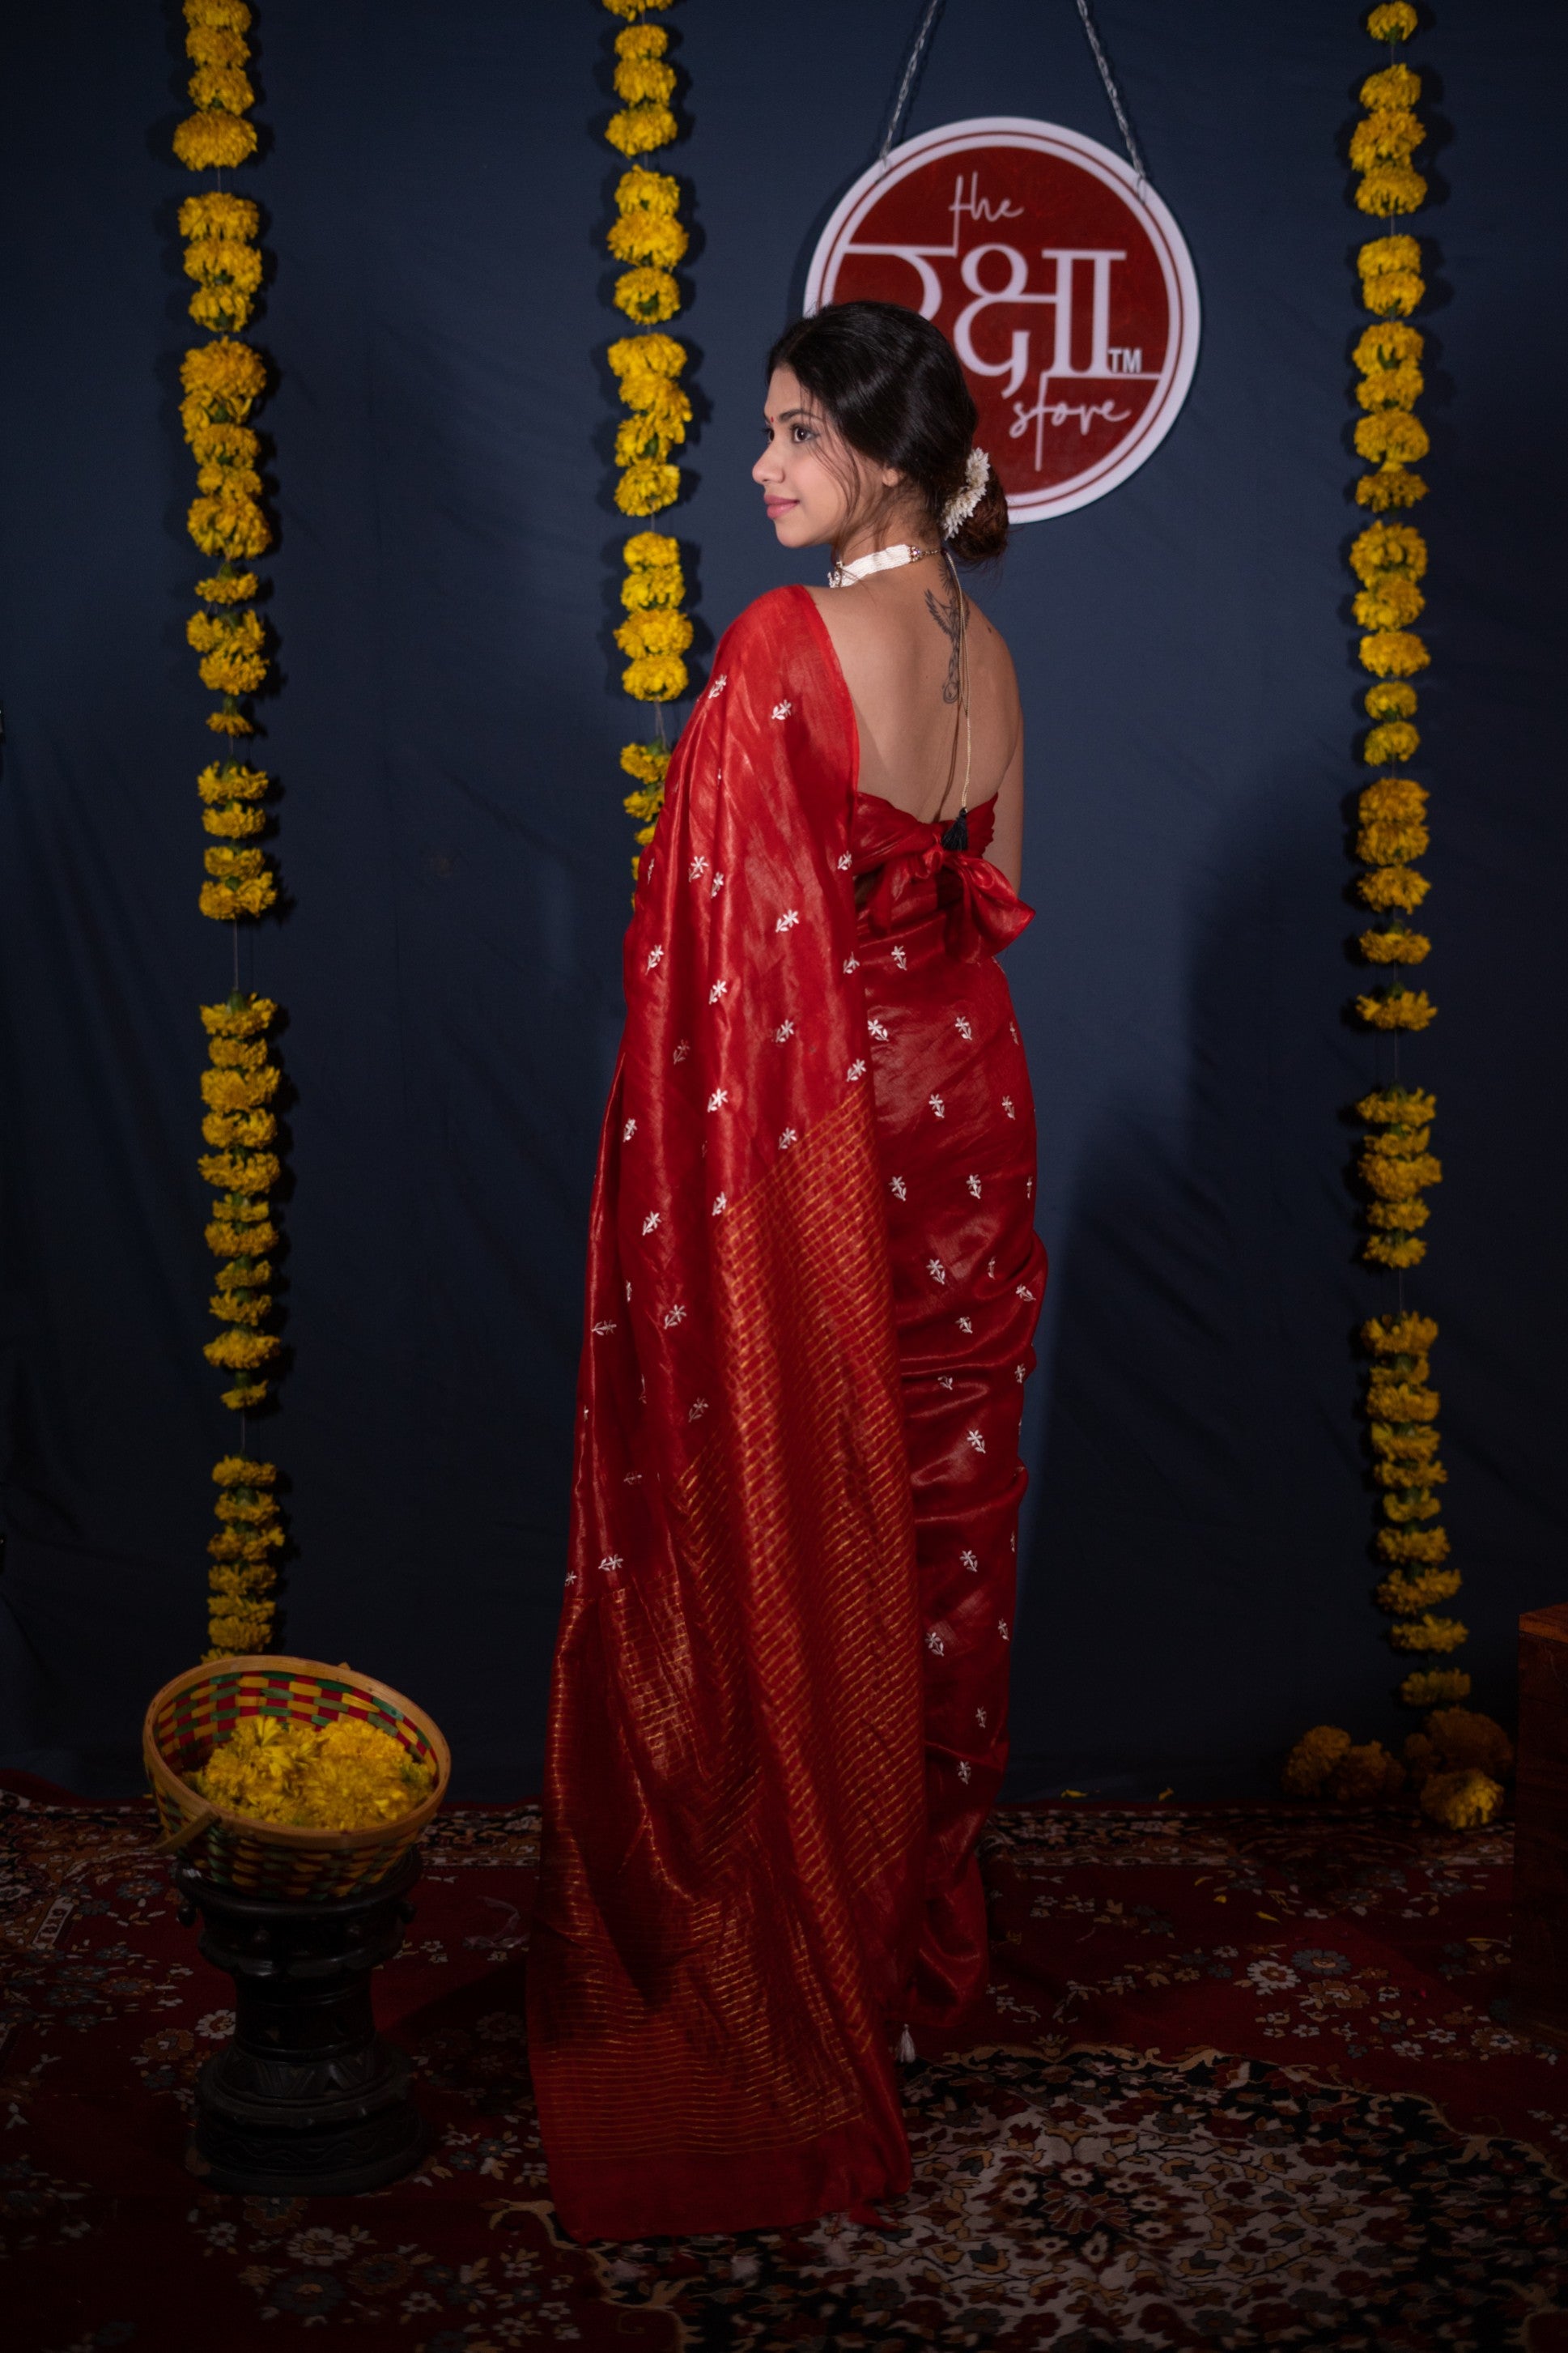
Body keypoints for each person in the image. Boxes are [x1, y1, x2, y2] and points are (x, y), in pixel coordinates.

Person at [528, 300, 1047, 2242]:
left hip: (829, 1137)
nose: (759, 468)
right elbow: (994, 918)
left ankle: (798, 1962)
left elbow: (721, 986)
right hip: (969, 1122)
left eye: (798, 437)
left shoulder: (777, 649)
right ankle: (903, 1966)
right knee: (930, 1534)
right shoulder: (991, 656)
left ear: (889, 465)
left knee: (793, 1515)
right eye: (766, 432)